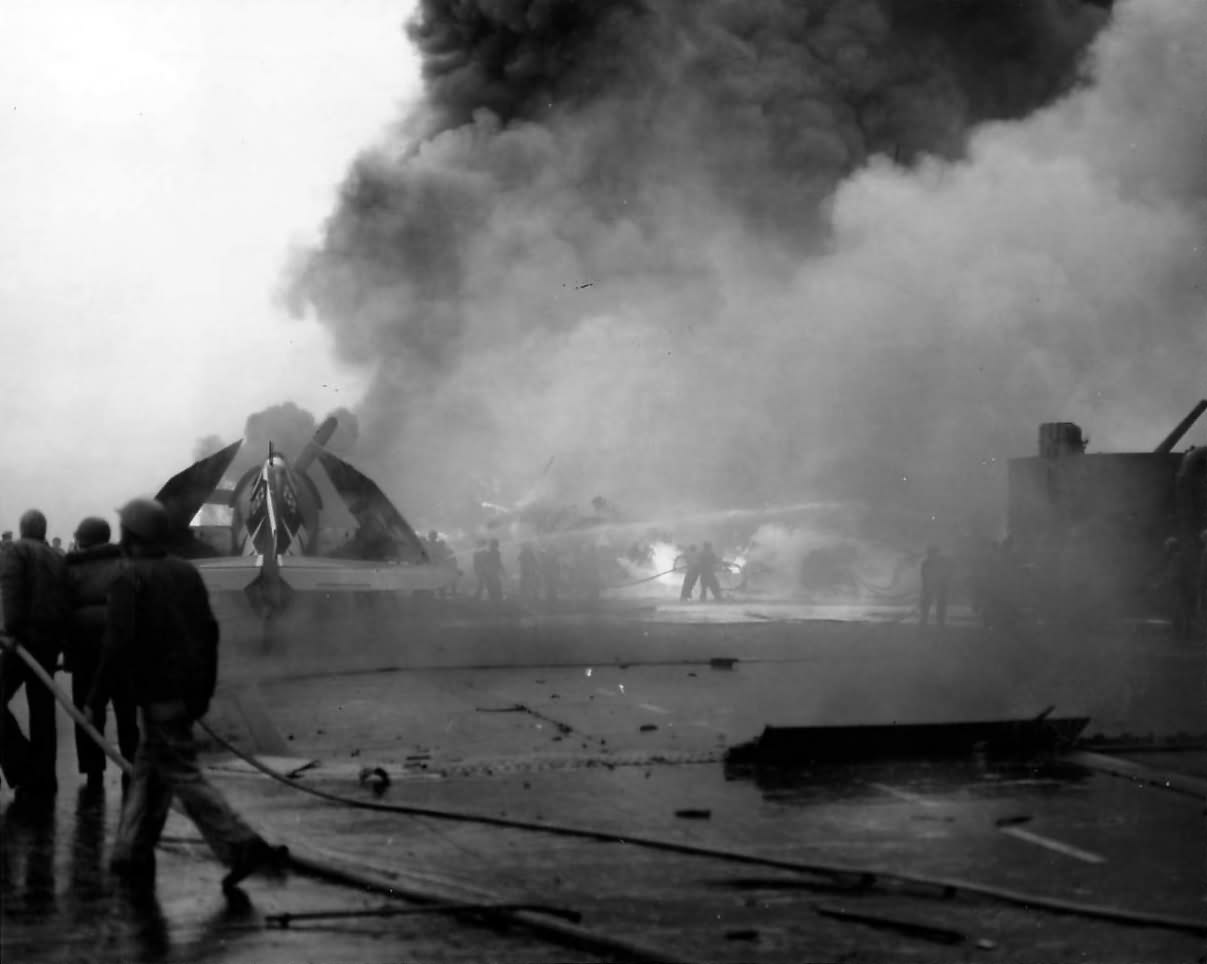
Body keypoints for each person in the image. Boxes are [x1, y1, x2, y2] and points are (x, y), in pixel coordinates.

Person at [88, 497, 285, 891]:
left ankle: (240, 844)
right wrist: (203, 690)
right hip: (184, 691)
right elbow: (209, 633)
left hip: (156, 693)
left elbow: (117, 643)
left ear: (131, 535)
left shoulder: (128, 577)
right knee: (149, 771)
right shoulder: (185, 573)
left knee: (180, 773)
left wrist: (97, 695)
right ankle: (130, 853)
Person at [64, 516, 138, 792]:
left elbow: (63, 608)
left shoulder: (71, 567)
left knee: (88, 711)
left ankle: (93, 770)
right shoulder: (126, 564)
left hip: (84, 649)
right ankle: (132, 765)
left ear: (83, 538)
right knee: (126, 711)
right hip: (122, 648)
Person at [1, 509, 68, 803]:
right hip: (49, 643)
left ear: (22, 528)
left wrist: (11, 631)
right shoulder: (57, 557)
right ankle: (45, 777)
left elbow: (12, 590)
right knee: (43, 711)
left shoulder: (17, 551)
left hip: (23, 641)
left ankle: (23, 765)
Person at [919, 545, 953, 627]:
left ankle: (940, 621)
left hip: (940, 586)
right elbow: (924, 576)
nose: (931, 555)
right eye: (930, 553)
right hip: (931, 586)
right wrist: (925, 587)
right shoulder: (926, 563)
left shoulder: (942, 562)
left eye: (932, 553)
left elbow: (947, 574)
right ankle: (925, 620)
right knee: (926, 604)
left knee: (940, 604)